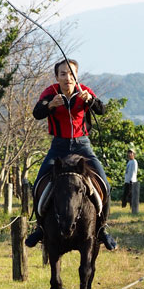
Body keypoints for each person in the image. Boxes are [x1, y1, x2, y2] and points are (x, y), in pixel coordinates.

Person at [25, 59, 117, 250]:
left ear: (77, 76)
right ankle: (40, 228)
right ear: (57, 77)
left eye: (71, 74)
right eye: (63, 74)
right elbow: (37, 113)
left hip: (83, 145)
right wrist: (50, 105)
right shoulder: (50, 92)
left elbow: (102, 110)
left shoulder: (84, 91)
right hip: (58, 146)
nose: (68, 78)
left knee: (105, 185)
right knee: (39, 183)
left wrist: (90, 101)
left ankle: (102, 230)